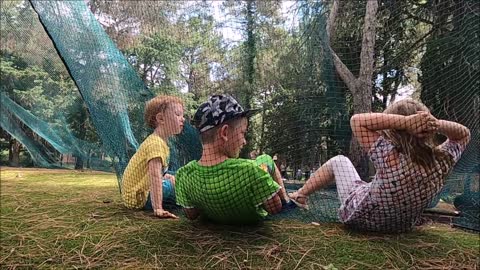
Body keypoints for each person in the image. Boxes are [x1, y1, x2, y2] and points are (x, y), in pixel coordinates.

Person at [288, 99, 470, 232]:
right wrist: (435, 123)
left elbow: (357, 121)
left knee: (339, 161)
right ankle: (302, 195)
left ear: (392, 131)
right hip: (400, 226)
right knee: (371, 186)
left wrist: (405, 123)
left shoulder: (389, 156)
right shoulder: (442, 160)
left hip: (359, 218)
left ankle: (300, 195)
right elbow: (464, 134)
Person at [175, 94, 293, 225]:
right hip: (251, 226)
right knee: (265, 159)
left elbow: (191, 214)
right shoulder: (251, 171)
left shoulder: (184, 175)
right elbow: (274, 208)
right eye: (243, 133)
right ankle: (288, 200)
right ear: (224, 133)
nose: (244, 141)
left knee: (262, 160)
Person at [121, 95, 185, 219]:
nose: (183, 119)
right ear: (161, 118)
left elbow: (158, 173)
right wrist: (158, 209)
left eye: (183, 115)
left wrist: (168, 177)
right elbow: (154, 176)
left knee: (177, 178)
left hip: (136, 195)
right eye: (178, 114)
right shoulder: (155, 143)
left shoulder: (160, 142)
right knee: (183, 185)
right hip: (139, 197)